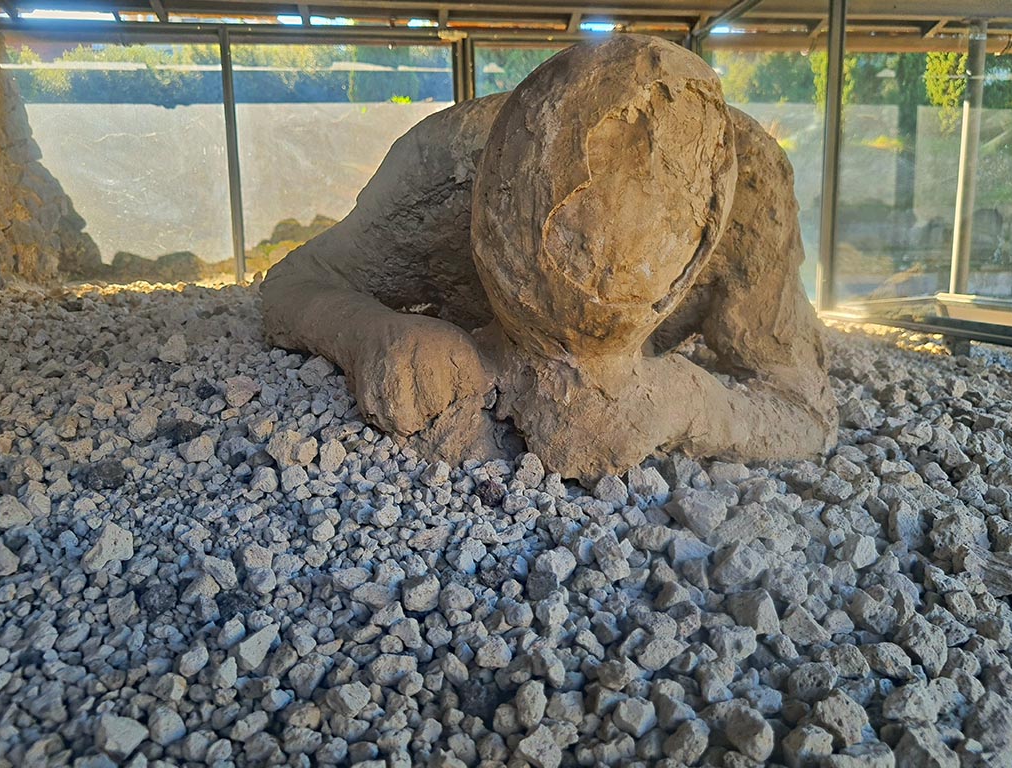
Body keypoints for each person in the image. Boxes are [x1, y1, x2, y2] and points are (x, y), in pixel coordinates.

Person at [261, 35, 836, 483]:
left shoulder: (746, 187)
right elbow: (293, 281)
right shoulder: (443, 168)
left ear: (697, 244)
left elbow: (807, 407)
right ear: (488, 222)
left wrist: (688, 404)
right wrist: (371, 333)